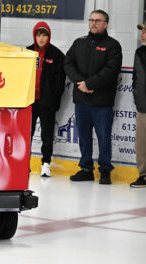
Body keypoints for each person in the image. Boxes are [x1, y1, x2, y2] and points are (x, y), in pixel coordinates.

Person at [64, 10, 122, 184]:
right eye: (91, 20)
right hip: (81, 100)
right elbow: (68, 62)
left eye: (98, 20)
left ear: (106, 24)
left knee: (104, 137)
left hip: (101, 102)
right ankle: (86, 169)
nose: (94, 23)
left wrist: (90, 84)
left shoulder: (113, 45)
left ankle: (105, 171)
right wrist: (80, 82)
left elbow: (110, 71)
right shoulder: (79, 43)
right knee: (83, 136)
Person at [27, 21, 66, 177]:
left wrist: (53, 99)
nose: (41, 38)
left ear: (49, 37)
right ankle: (24, 164)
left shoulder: (56, 55)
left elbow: (60, 82)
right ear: (34, 36)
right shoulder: (27, 52)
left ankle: (46, 164)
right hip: (29, 102)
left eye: (44, 35)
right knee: (26, 134)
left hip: (46, 103)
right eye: (38, 35)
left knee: (47, 135)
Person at [130, 23, 146, 188]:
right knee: (141, 144)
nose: (142, 35)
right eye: (142, 31)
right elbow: (136, 78)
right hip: (143, 107)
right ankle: (144, 175)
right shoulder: (139, 52)